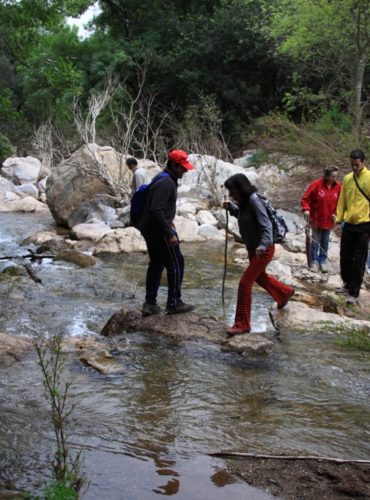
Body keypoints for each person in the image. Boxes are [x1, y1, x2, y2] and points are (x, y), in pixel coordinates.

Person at [223, 174, 294, 336]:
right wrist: (231, 208)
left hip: (263, 249)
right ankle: (284, 293)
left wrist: (263, 245)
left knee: (245, 282)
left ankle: (242, 323)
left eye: (233, 191)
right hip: (252, 247)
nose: (232, 194)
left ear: (241, 188)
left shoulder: (254, 201)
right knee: (260, 277)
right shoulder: (243, 202)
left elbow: (266, 225)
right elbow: (245, 217)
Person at [137, 149, 196, 316]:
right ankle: (174, 303)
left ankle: (150, 304)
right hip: (159, 230)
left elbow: (157, 208)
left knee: (156, 263)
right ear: (174, 165)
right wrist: (169, 233)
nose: (185, 170)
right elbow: (156, 209)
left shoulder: (163, 178)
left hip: (151, 228)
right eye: (183, 167)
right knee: (177, 263)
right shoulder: (166, 182)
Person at [335, 149, 370, 305]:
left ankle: (354, 292)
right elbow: (342, 200)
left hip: (364, 225)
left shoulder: (369, 178)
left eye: (356, 164)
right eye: (352, 164)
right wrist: (338, 219)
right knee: (345, 256)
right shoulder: (348, 179)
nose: (354, 167)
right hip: (348, 224)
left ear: (363, 162)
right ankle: (347, 284)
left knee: (359, 260)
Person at [300, 166, 341, 273]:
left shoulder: (338, 187)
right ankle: (314, 261)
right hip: (316, 219)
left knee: (325, 241)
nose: (335, 179)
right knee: (315, 241)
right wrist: (306, 209)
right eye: (332, 177)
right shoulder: (316, 185)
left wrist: (337, 214)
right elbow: (305, 199)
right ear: (326, 176)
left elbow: (341, 203)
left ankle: (322, 261)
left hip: (329, 220)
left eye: (336, 177)